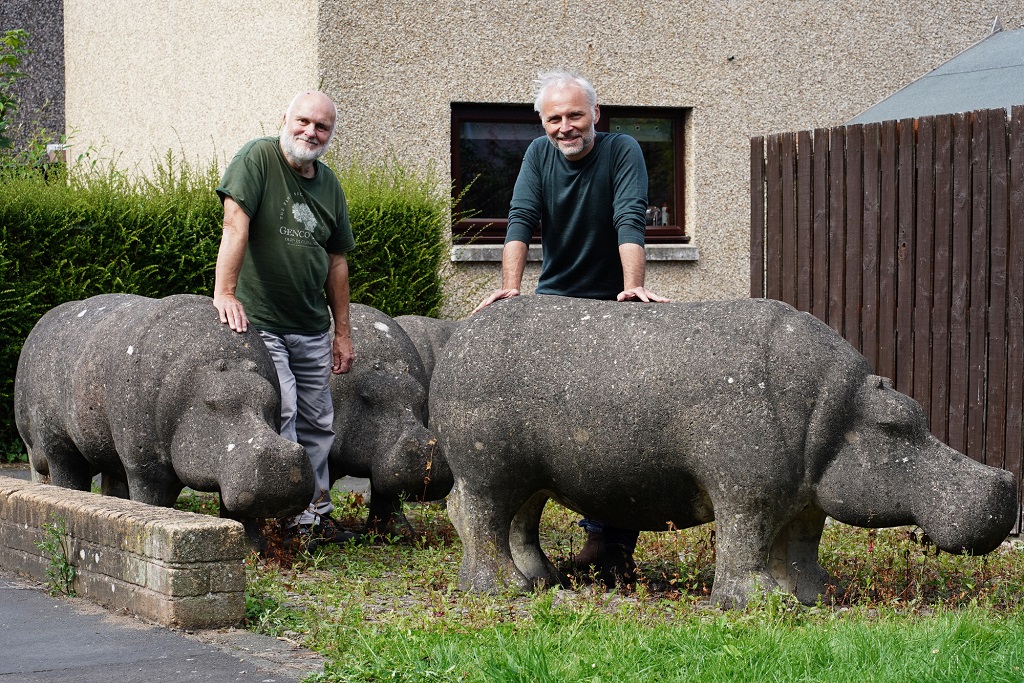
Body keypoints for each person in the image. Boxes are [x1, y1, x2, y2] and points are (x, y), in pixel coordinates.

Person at [473, 70, 670, 586]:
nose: (565, 127)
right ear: (543, 123)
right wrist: (512, 289)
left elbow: (630, 217)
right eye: (554, 118)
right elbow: (520, 220)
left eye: (575, 115)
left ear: (595, 116)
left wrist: (632, 288)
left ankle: (611, 541)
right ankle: (562, 529)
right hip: (556, 302)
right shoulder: (538, 155)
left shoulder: (622, 149)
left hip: (611, 302)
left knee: (620, 422)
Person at [213, 90, 356, 551]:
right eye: (303, 122)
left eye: (321, 127)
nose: (310, 132)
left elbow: (337, 261)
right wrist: (225, 293)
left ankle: (315, 515)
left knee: (319, 422)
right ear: (285, 119)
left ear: (331, 134)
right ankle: (284, 516)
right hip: (264, 323)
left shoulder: (329, 184)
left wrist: (343, 331)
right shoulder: (257, 158)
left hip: (311, 326)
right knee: (286, 413)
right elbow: (235, 225)